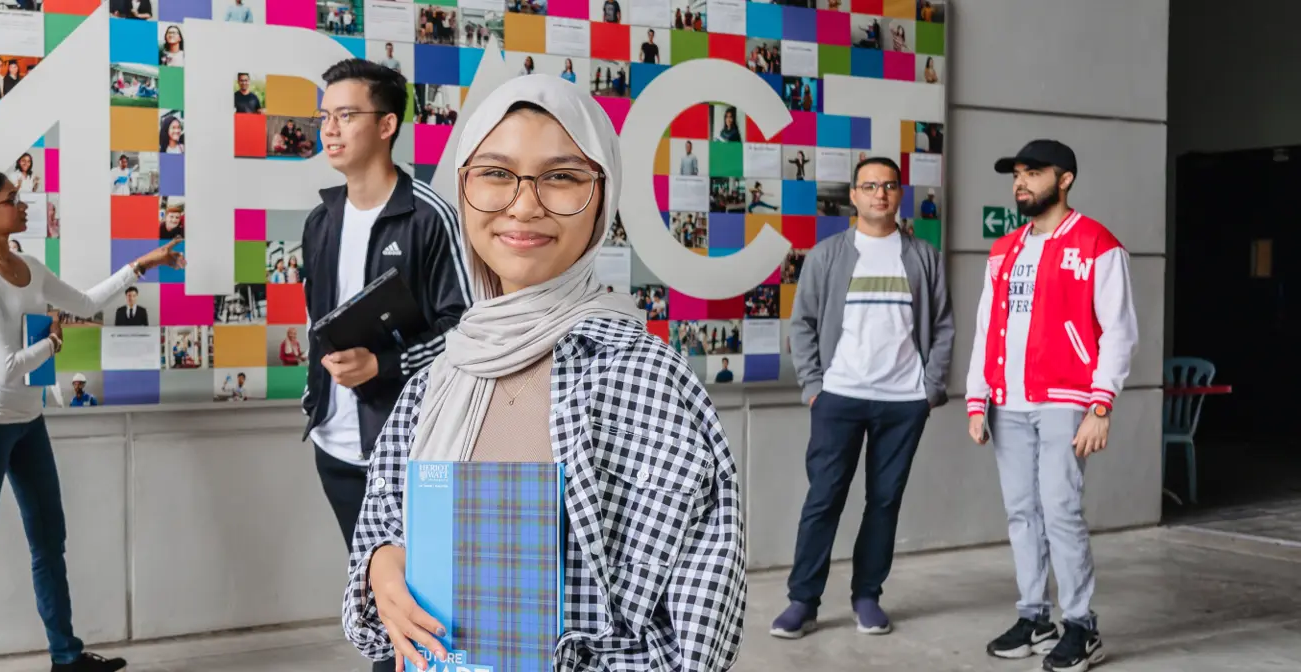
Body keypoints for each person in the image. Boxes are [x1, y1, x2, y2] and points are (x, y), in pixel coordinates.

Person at [341, 74, 744, 672]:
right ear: (463, 187)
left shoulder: (645, 381)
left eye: (561, 176)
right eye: (496, 173)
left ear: (601, 198)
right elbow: (381, 524)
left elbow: (694, 635)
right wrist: (383, 565)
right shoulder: (446, 371)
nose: (524, 204)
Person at [0, 171, 184, 672]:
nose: (23, 206)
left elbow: (84, 304)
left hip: (26, 419)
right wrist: (52, 344)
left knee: (49, 539)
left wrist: (141, 265)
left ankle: (66, 657)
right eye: (12, 200)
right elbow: (2, 365)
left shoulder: (29, 265)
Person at [300, 59, 468, 672]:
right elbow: (320, 325)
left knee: (423, 609)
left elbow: (466, 330)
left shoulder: (430, 216)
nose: (330, 129)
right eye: (325, 116)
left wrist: (386, 364)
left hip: (414, 449)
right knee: (378, 604)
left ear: (389, 124)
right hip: (337, 448)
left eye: (346, 115)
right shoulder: (320, 223)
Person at [966, 140, 1135, 672]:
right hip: (1007, 403)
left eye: (1032, 173)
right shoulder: (1004, 249)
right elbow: (984, 328)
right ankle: (1034, 616)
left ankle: (1081, 626)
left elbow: (1120, 331)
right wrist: (978, 397)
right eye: (1016, 174)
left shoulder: (1096, 243)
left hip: (1066, 400)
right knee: (1022, 512)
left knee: (1060, 511)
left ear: (1064, 180)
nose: (1020, 182)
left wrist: (1100, 404)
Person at [775, 156, 955, 640]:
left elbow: (942, 327)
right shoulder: (828, 255)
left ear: (899, 194)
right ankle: (803, 602)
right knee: (824, 498)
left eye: (889, 185)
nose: (880, 194)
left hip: (903, 402)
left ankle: (867, 597)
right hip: (840, 397)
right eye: (870, 186)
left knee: (885, 501)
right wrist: (815, 388)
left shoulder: (922, 257)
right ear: (853, 196)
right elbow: (804, 324)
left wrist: (929, 389)